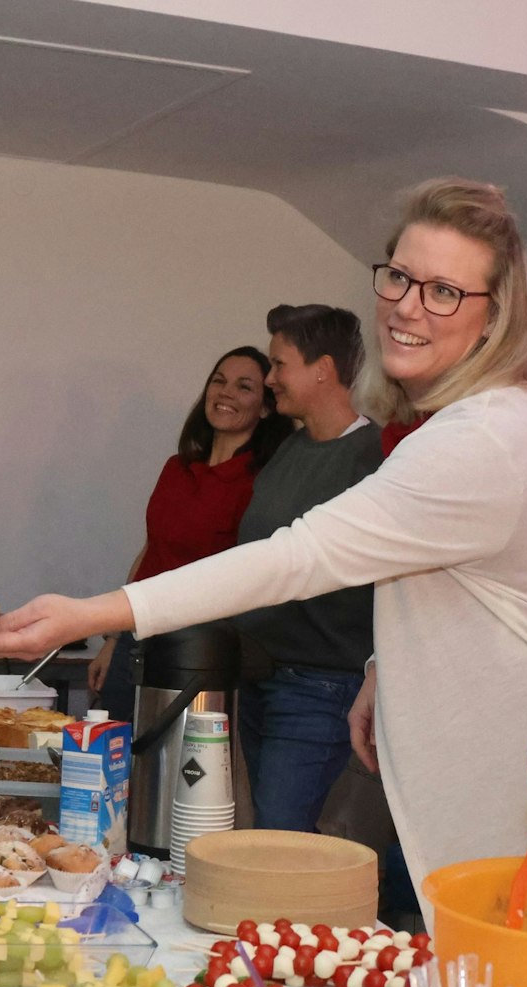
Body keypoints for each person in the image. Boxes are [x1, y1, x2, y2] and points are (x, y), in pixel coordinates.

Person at [0, 178, 527, 884]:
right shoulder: (460, 424)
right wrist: (385, 664)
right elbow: (465, 574)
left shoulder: (489, 437)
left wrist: (91, 613)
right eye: (400, 278)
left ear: (495, 315)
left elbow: (299, 556)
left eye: (444, 291)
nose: (407, 308)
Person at [233, 304, 384, 833]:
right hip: (258, 676)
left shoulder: (375, 455)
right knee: (269, 830)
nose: (270, 378)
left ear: (323, 369)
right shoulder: (289, 450)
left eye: (279, 364)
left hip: (319, 685)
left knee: (279, 835)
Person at [89, 346, 289, 718]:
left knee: (174, 766)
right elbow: (151, 551)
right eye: (219, 381)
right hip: (137, 636)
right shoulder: (177, 468)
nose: (226, 392)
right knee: (113, 759)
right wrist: (112, 642)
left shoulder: (260, 482)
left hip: (196, 649)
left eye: (244, 387)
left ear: (265, 407)